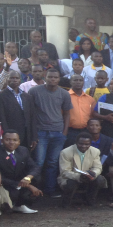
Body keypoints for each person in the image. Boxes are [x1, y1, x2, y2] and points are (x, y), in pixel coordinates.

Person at [29, 69, 71, 197]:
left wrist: (64, 132)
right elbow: (30, 113)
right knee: (39, 162)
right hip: (41, 132)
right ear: (45, 77)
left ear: (59, 79)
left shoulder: (64, 93)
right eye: (50, 77)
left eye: (55, 77)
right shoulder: (34, 91)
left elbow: (67, 113)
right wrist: (33, 133)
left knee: (53, 163)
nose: (53, 79)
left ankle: (50, 190)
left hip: (58, 132)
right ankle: (33, 191)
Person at [0, 130, 41, 214]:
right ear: (2, 141)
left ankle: (19, 205)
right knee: (14, 193)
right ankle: (1, 206)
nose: (11, 142)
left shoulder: (23, 150)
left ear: (19, 141)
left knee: (37, 179)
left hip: (20, 181)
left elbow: (35, 167)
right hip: (4, 184)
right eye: (8, 140)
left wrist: (28, 177)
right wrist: (26, 185)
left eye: (15, 140)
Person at [58, 131, 106, 207]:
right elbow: (65, 172)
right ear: (76, 142)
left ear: (90, 143)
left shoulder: (95, 151)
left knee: (99, 179)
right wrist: (79, 176)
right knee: (71, 183)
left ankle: (90, 200)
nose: (83, 146)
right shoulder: (66, 152)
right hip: (71, 177)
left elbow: (98, 167)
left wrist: (93, 173)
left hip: (88, 176)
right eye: (81, 144)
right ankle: (66, 202)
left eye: (87, 144)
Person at [0, 71, 36, 150]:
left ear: (20, 80)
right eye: (12, 78)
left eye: (17, 78)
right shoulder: (0, 96)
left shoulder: (27, 96)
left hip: (27, 135)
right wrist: (6, 135)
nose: (15, 80)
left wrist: (34, 137)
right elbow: (1, 118)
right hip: (10, 136)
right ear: (7, 79)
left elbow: (32, 117)